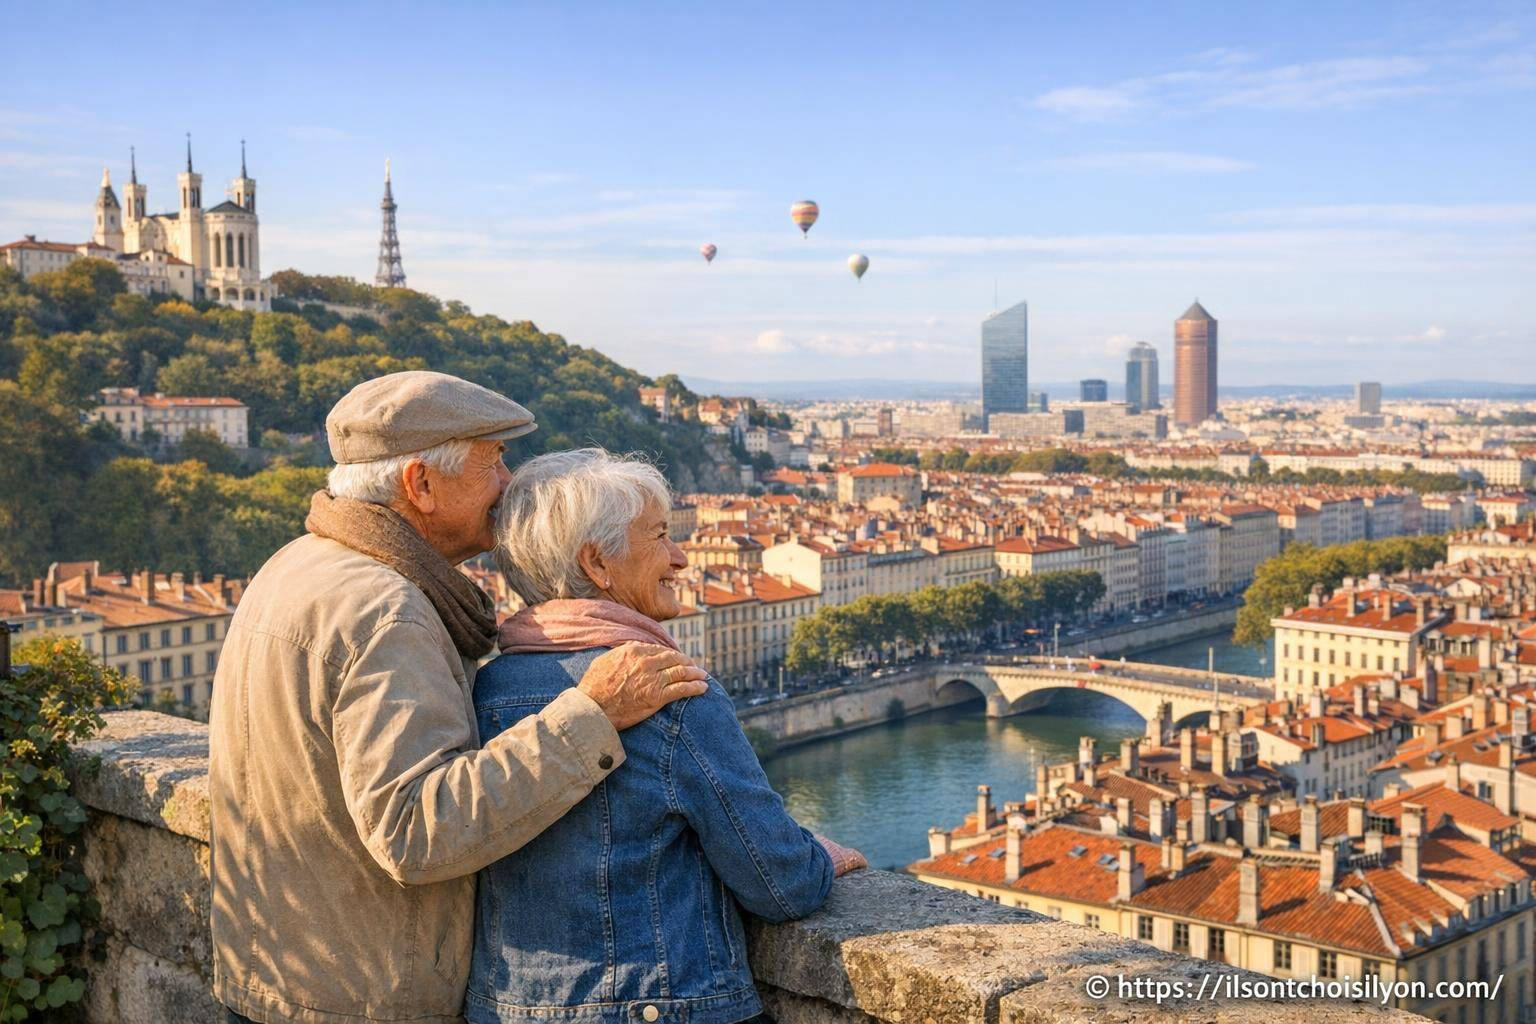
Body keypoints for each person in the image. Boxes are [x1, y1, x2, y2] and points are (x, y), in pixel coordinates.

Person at [209, 373, 709, 1024]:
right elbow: (415, 830)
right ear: (420, 484)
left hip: (280, 971)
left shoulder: (297, 565)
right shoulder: (387, 612)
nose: (509, 483)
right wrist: (591, 715)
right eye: (493, 462)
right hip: (362, 995)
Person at [469, 449, 865, 1024]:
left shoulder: (482, 689)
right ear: (598, 563)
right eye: (659, 537)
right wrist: (822, 856)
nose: (680, 559)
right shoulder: (669, 690)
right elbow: (781, 884)